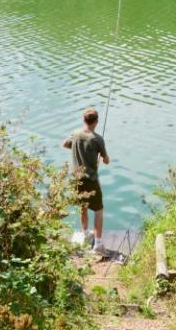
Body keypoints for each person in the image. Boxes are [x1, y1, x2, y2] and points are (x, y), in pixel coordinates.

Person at [63, 107, 110, 253]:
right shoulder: (97, 139)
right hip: (91, 179)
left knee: (82, 205)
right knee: (98, 210)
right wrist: (100, 157)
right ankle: (98, 245)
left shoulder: (76, 134)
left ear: (84, 120)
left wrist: (79, 149)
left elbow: (65, 144)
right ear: (96, 121)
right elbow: (106, 160)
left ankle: (85, 233)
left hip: (76, 178)